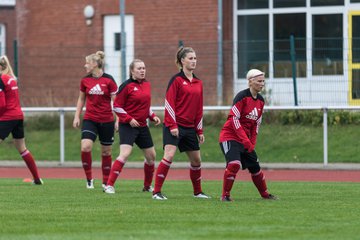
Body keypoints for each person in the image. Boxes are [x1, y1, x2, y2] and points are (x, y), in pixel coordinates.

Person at [152, 46, 210, 200]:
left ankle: (197, 192)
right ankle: (156, 192)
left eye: (195, 58)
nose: (193, 61)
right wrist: (172, 125)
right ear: (182, 61)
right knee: (169, 155)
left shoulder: (198, 82)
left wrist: (200, 131)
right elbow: (169, 104)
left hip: (190, 128)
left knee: (196, 160)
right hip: (174, 126)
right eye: (190, 58)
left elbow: (199, 108)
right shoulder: (176, 80)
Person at [219, 69, 277, 201]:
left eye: (263, 81)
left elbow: (257, 123)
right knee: (234, 164)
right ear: (250, 82)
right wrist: (245, 140)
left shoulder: (261, 100)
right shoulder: (241, 96)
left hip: (245, 139)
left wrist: (252, 142)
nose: (262, 84)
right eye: (259, 81)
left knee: (255, 167)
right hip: (230, 136)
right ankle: (225, 196)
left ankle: (265, 195)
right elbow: (234, 119)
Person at [104, 59, 161, 194]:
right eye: (139, 68)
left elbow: (145, 106)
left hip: (142, 127)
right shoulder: (126, 86)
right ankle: (109, 185)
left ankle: (147, 186)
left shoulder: (147, 84)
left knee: (151, 157)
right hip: (128, 126)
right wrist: (129, 119)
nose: (142, 70)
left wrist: (152, 116)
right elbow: (116, 106)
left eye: (144, 68)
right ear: (132, 71)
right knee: (125, 154)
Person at [73, 51, 118, 189]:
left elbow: (116, 102)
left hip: (107, 120)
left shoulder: (109, 80)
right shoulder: (85, 80)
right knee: (85, 146)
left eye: (87, 63)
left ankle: (105, 182)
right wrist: (76, 116)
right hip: (90, 119)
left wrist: (118, 120)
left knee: (106, 152)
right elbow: (81, 99)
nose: (85, 65)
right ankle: (89, 179)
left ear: (95, 64)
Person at [0, 55, 43, 185]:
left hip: (7, 117)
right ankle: (37, 179)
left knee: (22, 148)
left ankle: (36, 178)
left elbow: (2, 104)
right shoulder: (11, 79)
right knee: (22, 149)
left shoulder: (1, 79)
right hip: (18, 116)